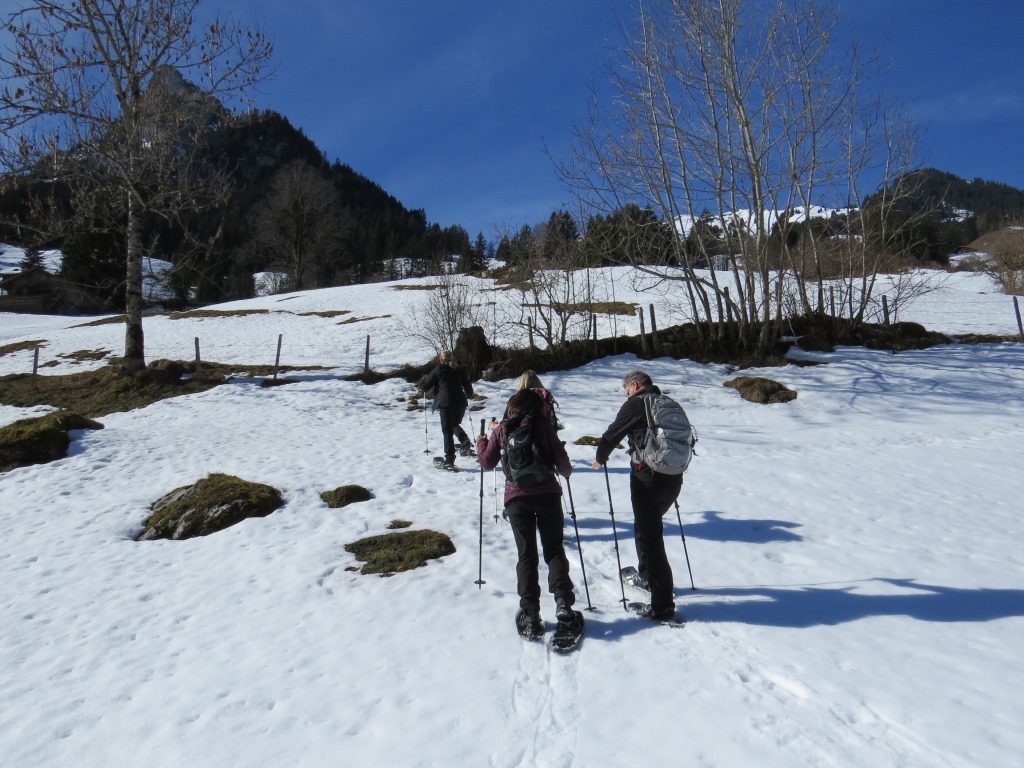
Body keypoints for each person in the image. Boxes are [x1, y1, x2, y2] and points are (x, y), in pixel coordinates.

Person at [477, 388, 580, 638]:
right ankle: (564, 605)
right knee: (554, 550)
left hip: (516, 499)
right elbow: (563, 463)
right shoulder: (544, 426)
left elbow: (486, 462)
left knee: (526, 555)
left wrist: (482, 441)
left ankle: (530, 613)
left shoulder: (502, 428)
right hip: (547, 495)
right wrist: (565, 472)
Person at [591, 370, 682, 621]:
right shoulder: (667, 403)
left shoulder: (636, 403)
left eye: (626, 389)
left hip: (647, 478)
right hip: (673, 478)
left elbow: (612, 433)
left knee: (651, 538)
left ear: (634, 385)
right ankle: (648, 576)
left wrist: (600, 457)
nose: (626, 393)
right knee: (646, 529)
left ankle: (662, 606)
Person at [420, 350, 473, 469]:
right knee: (454, 424)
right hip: (460, 402)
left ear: (440, 359)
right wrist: (467, 395)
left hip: (446, 402)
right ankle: (464, 441)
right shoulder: (459, 370)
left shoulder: (438, 370)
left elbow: (425, 387)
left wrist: (423, 381)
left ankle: (449, 460)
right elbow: (469, 389)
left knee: (447, 430)